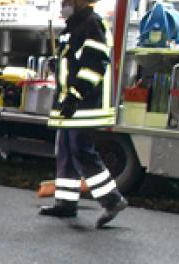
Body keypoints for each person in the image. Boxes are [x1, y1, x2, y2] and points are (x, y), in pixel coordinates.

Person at [40, 0, 128, 228]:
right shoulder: (75, 26)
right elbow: (74, 62)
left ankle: (113, 200)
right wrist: (58, 65)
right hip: (72, 104)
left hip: (85, 104)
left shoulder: (92, 24)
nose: (63, 6)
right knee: (66, 153)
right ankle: (66, 203)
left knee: (81, 151)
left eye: (67, 2)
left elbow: (94, 64)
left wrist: (75, 95)